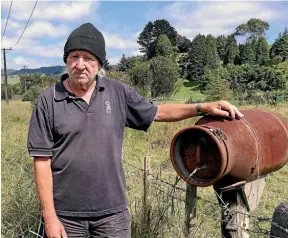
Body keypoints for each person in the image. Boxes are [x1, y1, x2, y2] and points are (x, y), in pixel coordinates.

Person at [27, 23, 243, 238]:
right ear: (66, 60)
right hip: (66, 215)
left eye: (88, 58)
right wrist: (50, 217)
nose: (80, 64)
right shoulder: (49, 100)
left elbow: (158, 112)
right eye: (74, 56)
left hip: (112, 214)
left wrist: (201, 107)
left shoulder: (117, 92)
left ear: (99, 63)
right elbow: (42, 162)